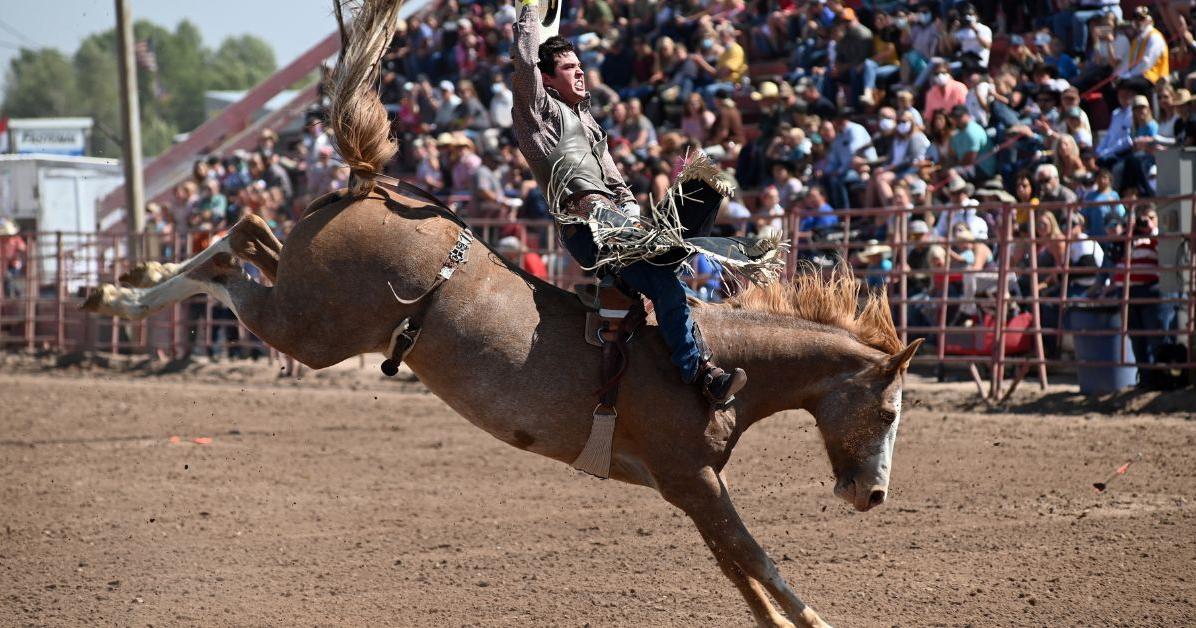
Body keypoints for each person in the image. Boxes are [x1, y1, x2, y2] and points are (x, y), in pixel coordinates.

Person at [510, 2, 748, 404]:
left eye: (580, 64)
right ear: (547, 80)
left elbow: (617, 181)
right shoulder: (536, 113)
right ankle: (701, 373)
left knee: (706, 187)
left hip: (621, 224)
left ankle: (662, 263)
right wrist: (531, 11)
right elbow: (523, 59)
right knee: (666, 286)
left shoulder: (588, 121)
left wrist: (631, 213)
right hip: (586, 230)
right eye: (569, 68)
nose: (581, 71)